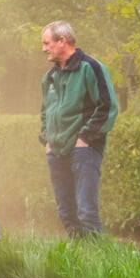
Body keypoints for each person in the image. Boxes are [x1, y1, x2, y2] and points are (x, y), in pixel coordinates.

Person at [39, 21, 118, 238]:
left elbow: (108, 107)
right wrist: (47, 140)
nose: (44, 48)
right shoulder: (49, 78)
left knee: (86, 214)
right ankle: (81, 263)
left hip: (84, 151)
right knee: (66, 213)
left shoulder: (90, 68)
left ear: (62, 41)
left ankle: (100, 262)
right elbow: (45, 113)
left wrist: (84, 139)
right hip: (56, 152)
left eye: (47, 43)